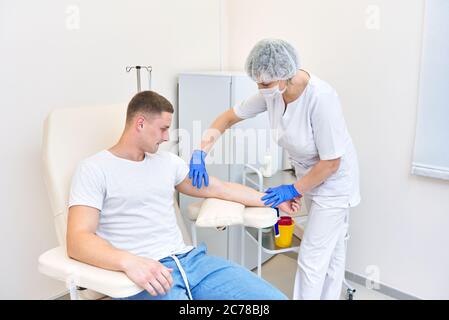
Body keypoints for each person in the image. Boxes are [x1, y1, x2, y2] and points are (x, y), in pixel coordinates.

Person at [67, 90, 299, 300]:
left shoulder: (168, 163)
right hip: (146, 274)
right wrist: (129, 263)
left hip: (193, 262)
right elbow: (78, 239)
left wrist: (276, 200)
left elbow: (221, 189)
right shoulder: (94, 169)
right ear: (140, 123)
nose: (167, 137)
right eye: (163, 128)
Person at [189, 38, 360, 300]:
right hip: (310, 176)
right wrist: (200, 150)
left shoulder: (321, 98)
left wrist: (293, 188)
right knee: (332, 252)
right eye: (258, 82)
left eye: (265, 83)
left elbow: (331, 162)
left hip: (334, 182)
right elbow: (227, 118)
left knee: (312, 259)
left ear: (285, 75)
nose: (261, 88)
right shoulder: (273, 93)